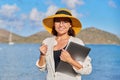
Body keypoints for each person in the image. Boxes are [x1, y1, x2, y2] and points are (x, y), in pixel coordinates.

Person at [36, 8, 92, 80]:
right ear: (54, 24)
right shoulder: (47, 42)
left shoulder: (77, 43)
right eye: (58, 21)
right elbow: (42, 68)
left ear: (70, 25)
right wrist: (42, 55)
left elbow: (87, 70)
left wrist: (70, 60)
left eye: (65, 22)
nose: (61, 25)